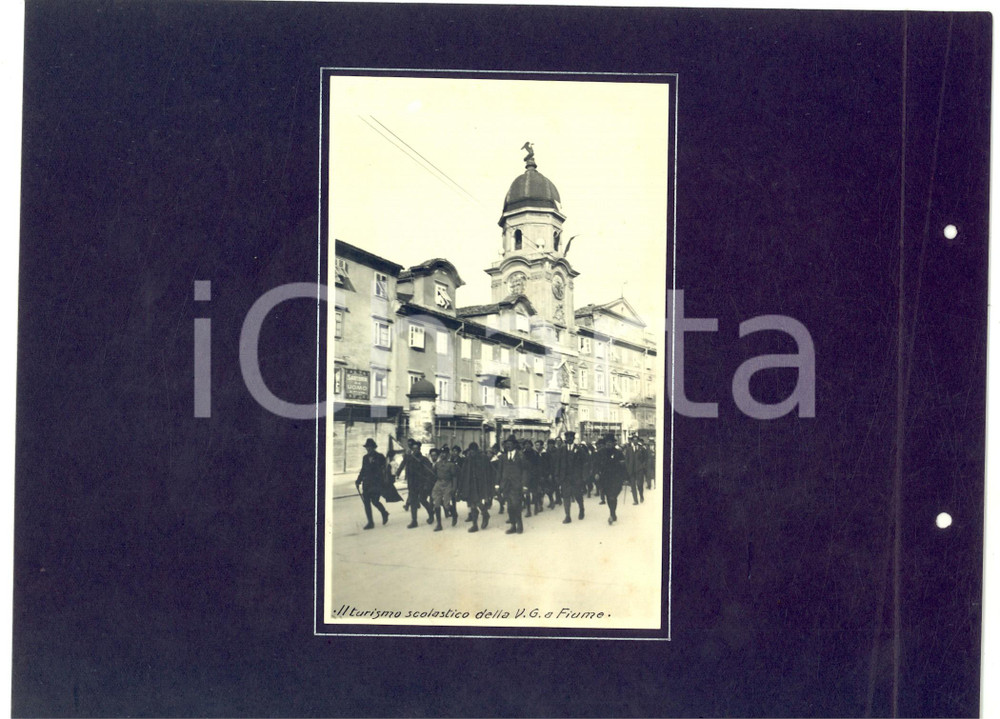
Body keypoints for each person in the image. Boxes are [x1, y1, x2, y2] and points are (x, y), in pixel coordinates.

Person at [456, 441, 493, 532]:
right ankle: (475, 525)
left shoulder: (483, 458)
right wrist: (460, 488)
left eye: (473, 451)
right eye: (470, 451)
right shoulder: (468, 459)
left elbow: (489, 472)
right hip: (470, 485)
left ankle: (485, 514)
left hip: (480, 485)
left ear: (477, 450)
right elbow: (463, 473)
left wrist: (489, 486)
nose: (472, 453)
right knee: (472, 504)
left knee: (477, 502)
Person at [355, 438, 389, 529]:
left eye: (370, 447)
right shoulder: (365, 458)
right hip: (366, 483)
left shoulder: (380, 456)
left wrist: (385, 480)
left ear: (373, 447)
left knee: (375, 501)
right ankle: (370, 522)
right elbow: (363, 470)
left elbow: (386, 469)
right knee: (366, 503)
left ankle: (384, 512)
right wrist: (358, 480)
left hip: (376, 483)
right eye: (367, 447)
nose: (368, 449)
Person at [554, 431, 588, 524]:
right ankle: (567, 516)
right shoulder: (561, 450)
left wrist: (584, 476)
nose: (569, 439)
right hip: (565, 478)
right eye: (567, 437)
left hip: (576, 477)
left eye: (571, 437)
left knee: (578, 495)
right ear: (565, 439)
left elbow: (585, 462)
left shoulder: (579, 449)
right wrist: (557, 475)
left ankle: (581, 509)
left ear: (573, 438)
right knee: (566, 496)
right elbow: (557, 464)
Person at [493, 435, 525, 534]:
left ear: (514, 445)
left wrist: (524, 484)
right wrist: (497, 484)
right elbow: (499, 471)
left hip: (516, 485)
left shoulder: (520, 456)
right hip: (506, 485)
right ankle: (513, 525)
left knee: (516, 505)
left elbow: (525, 471)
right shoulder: (502, 457)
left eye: (510, 444)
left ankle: (519, 524)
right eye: (507, 444)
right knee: (510, 506)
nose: (508, 446)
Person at [400, 439, 435, 528]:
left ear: (419, 449)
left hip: (422, 483)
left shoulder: (424, 459)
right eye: (413, 449)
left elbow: (429, 472)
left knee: (422, 500)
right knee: (413, 502)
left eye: (416, 448)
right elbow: (405, 467)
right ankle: (414, 521)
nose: (415, 450)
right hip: (412, 483)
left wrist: (427, 484)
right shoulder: (410, 459)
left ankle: (431, 513)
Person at [595, 434, 626, 525]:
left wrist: (625, 478)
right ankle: (612, 513)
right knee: (609, 497)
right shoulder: (600, 452)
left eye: (610, 442)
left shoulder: (618, 453)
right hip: (605, 478)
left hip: (616, 478)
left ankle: (612, 514)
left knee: (613, 496)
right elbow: (596, 464)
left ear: (613, 443)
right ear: (605, 443)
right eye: (607, 442)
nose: (608, 444)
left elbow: (623, 466)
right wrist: (596, 473)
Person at [430, 446, 459, 531]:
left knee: (446, 505)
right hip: (439, 483)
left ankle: (454, 514)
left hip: (447, 484)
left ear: (448, 454)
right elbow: (433, 474)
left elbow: (454, 477)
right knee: (436, 504)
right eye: (441, 453)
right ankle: (439, 525)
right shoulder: (437, 464)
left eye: (445, 453)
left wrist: (454, 488)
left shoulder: (451, 465)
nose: (443, 455)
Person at [623, 435, 646, 505]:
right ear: (632, 441)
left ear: (638, 440)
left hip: (639, 470)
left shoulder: (641, 449)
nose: (635, 441)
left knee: (639, 485)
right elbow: (626, 460)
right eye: (634, 440)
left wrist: (642, 466)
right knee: (633, 486)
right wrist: (628, 468)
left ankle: (641, 496)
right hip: (631, 470)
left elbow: (645, 458)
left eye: (636, 440)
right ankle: (635, 500)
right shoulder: (628, 449)